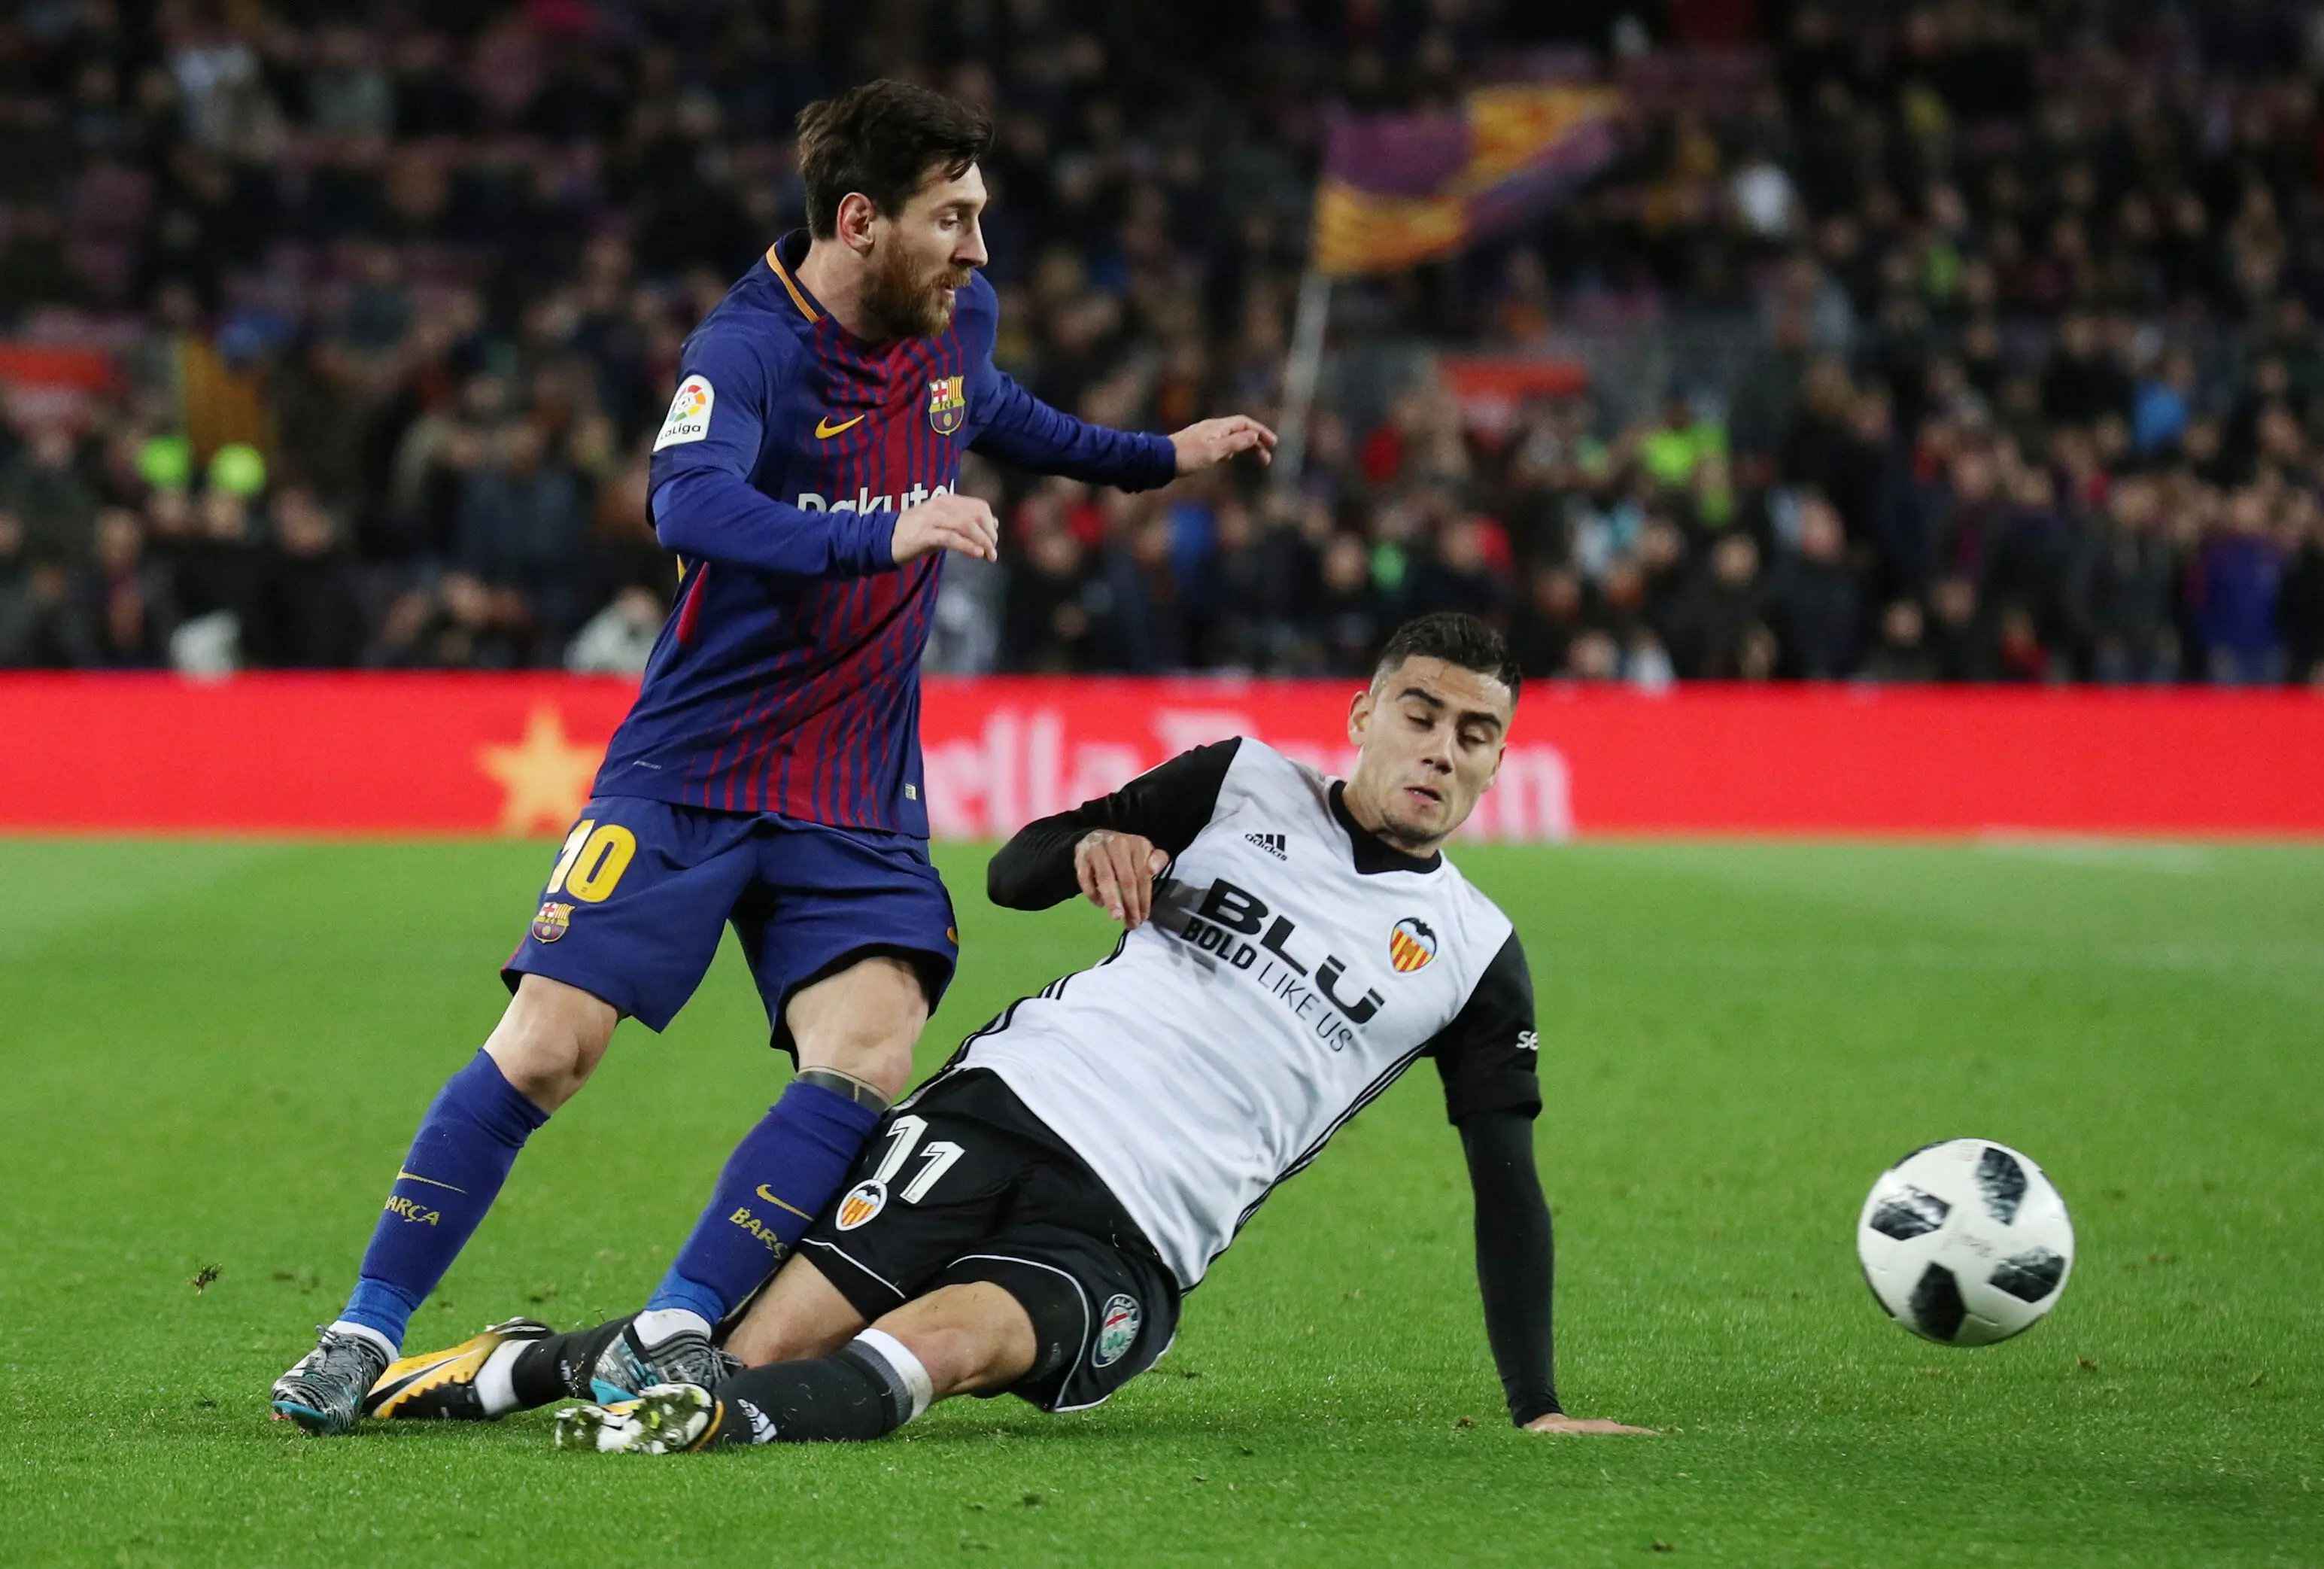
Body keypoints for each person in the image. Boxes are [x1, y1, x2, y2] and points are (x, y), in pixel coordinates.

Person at [271, 78, 1276, 1434]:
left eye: (980, 216)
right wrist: (883, 534)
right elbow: (685, 502)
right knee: (550, 1048)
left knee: (868, 1046)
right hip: (694, 764)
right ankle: (360, 1332)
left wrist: (1161, 456)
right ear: (860, 222)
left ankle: (675, 1327)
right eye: (953, 219)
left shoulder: (955, 320)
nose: (979, 249)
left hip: (853, 789)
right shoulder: (743, 348)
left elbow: (997, 411)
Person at [368, 613, 1651, 1446]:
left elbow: (1507, 1185)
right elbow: (1017, 869)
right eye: (1420, 715)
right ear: (1365, 716)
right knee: (756, 1345)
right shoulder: (1239, 783)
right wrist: (1093, 844)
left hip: (1143, 1231)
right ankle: (538, 1368)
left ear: (1499, 761)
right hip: (1009, 1109)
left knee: (949, 1348)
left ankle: (711, 1428)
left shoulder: (1475, 955)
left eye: (1475, 734)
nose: (1441, 751)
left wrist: (1536, 1406)